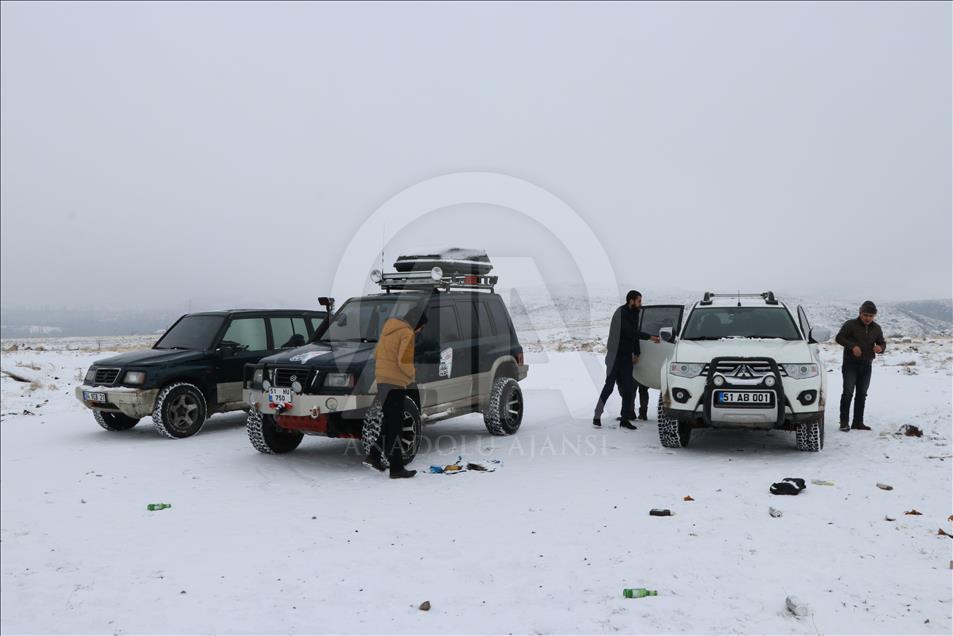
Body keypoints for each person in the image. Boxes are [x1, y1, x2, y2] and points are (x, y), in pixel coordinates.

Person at [365, 307, 428, 478]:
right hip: (395, 382)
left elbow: (377, 353)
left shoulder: (388, 328)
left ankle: (374, 455)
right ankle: (396, 468)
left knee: (389, 421)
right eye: (421, 327)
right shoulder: (407, 333)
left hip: (382, 380)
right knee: (396, 425)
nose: (420, 330)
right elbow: (404, 361)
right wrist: (412, 376)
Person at [594, 290, 652, 429]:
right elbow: (630, 332)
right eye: (639, 301)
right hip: (614, 356)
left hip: (626, 357)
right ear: (631, 301)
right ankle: (597, 414)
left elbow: (634, 335)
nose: (640, 304)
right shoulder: (621, 313)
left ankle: (624, 419)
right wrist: (650, 337)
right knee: (609, 387)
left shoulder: (634, 314)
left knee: (628, 389)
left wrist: (636, 352)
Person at [835, 300, 886, 432]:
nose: (868, 318)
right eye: (865, 315)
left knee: (862, 394)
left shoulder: (876, 328)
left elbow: (882, 342)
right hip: (850, 364)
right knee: (848, 393)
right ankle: (844, 422)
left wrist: (880, 347)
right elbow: (839, 338)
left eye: (871, 316)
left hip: (867, 364)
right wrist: (852, 347)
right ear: (860, 313)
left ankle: (858, 422)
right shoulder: (850, 324)